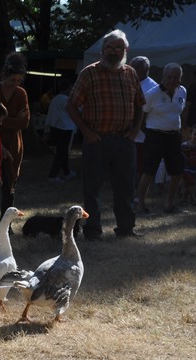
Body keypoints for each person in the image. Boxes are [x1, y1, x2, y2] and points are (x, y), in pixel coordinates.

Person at [67, 29, 144, 240]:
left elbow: (139, 105)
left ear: (125, 50)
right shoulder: (89, 73)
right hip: (97, 139)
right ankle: (93, 230)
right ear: (103, 49)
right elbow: (71, 106)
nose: (115, 51)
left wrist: (136, 129)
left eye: (120, 48)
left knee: (126, 186)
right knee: (92, 188)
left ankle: (126, 228)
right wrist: (86, 132)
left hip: (124, 140)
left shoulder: (131, 73)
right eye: (111, 47)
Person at [136, 63, 187, 214]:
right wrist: (145, 133)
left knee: (177, 172)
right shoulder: (152, 94)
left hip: (174, 136)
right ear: (163, 77)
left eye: (176, 77)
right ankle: (141, 205)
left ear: (180, 78)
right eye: (169, 77)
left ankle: (169, 204)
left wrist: (182, 131)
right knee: (149, 171)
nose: (172, 80)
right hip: (155, 135)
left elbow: (180, 112)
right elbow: (141, 115)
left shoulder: (182, 91)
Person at [0, 53, 29, 215]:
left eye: (19, 81)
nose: (15, 84)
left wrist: (1, 119)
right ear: (4, 76)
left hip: (13, 145)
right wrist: (13, 119)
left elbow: (24, 122)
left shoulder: (21, 93)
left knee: (9, 185)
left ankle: (6, 223)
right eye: (12, 80)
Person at [129, 56, 158, 185]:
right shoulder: (130, 81)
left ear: (144, 70)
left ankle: (138, 186)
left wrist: (140, 128)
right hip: (128, 131)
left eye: (135, 68)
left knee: (140, 162)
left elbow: (149, 112)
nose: (131, 70)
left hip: (143, 133)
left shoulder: (152, 87)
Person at [44, 79, 77, 182]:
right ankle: (53, 175)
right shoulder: (67, 100)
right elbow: (77, 110)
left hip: (55, 127)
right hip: (65, 128)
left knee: (62, 151)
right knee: (61, 152)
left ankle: (66, 172)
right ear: (68, 88)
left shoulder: (55, 99)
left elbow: (50, 114)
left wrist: (47, 128)